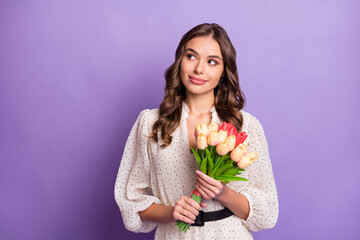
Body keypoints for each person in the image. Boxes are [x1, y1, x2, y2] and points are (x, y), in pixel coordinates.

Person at [114, 23, 279, 239]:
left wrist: (222, 193)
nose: (199, 69)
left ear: (223, 71)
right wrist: (172, 212)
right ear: (180, 61)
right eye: (191, 56)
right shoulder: (151, 123)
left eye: (212, 62)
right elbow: (130, 200)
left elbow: (267, 211)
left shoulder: (246, 126)